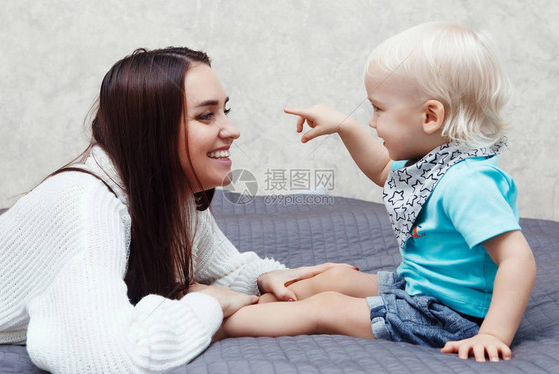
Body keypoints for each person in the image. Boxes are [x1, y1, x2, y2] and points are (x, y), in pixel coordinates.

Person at [0, 47, 354, 373]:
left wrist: (265, 277)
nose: (232, 130)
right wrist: (210, 305)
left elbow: (219, 267)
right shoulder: (85, 206)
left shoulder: (166, 189)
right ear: (151, 132)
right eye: (205, 116)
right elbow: (110, 360)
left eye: (224, 111)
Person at [218, 23, 536, 363]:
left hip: (454, 318)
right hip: (418, 289)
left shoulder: (470, 181)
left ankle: (214, 323)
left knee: (329, 307)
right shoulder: (434, 160)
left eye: (378, 109)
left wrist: (492, 333)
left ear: (430, 116)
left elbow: (518, 260)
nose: (371, 121)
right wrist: (345, 126)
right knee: (335, 278)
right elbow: (386, 172)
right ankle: (241, 302)